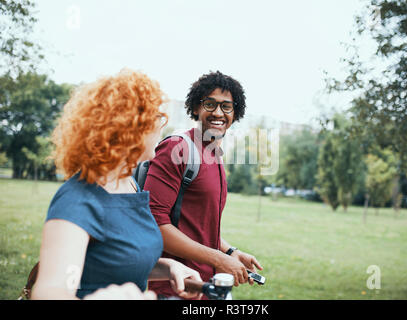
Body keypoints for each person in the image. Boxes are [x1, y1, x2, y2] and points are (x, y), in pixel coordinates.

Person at [31, 69, 202, 300]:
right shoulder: (78, 200)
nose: (162, 127)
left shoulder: (128, 185)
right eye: (157, 119)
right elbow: (49, 292)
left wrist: (169, 267)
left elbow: (117, 261)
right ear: (130, 128)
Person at [145, 71, 263, 299]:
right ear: (196, 108)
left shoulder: (214, 153)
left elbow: (198, 225)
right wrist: (220, 259)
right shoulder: (177, 149)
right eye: (210, 104)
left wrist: (231, 252)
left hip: (206, 288)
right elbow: (154, 223)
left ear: (235, 112)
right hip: (173, 289)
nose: (218, 113)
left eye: (226, 106)